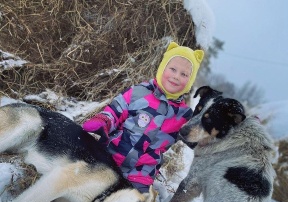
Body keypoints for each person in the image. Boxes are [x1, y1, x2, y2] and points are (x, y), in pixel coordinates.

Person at [82, 41, 204, 193]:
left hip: (141, 174)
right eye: (172, 69)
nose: (176, 76)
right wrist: (103, 120)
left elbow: (195, 138)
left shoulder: (184, 115)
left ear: (190, 81)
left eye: (184, 74)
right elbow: (115, 111)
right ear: (162, 68)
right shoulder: (139, 92)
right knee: (88, 185)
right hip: (110, 155)